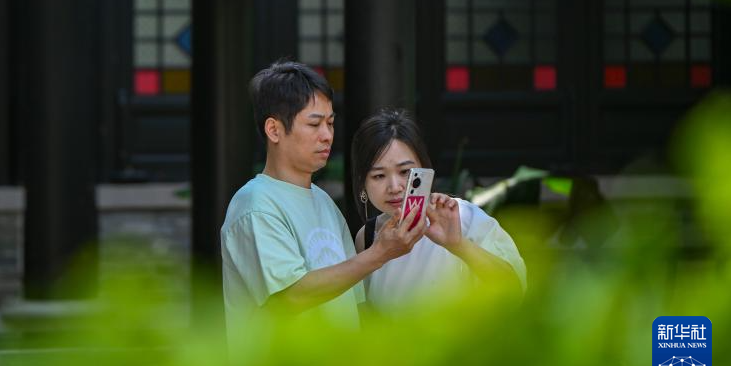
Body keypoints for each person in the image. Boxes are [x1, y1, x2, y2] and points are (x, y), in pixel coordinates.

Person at [221, 61, 425, 338]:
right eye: (314, 124)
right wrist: (380, 253)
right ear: (274, 130)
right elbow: (292, 296)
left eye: (330, 123)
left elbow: (354, 303)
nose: (327, 135)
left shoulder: (324, 201)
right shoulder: (255, 205)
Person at [351, 108, 527, 310]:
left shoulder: (464, 218)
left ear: (425, 169)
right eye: (379, 176)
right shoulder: (367, 236)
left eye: (405, 172)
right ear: (363, 183)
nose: (395, 187)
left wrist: (459, 245)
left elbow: (514, 290)